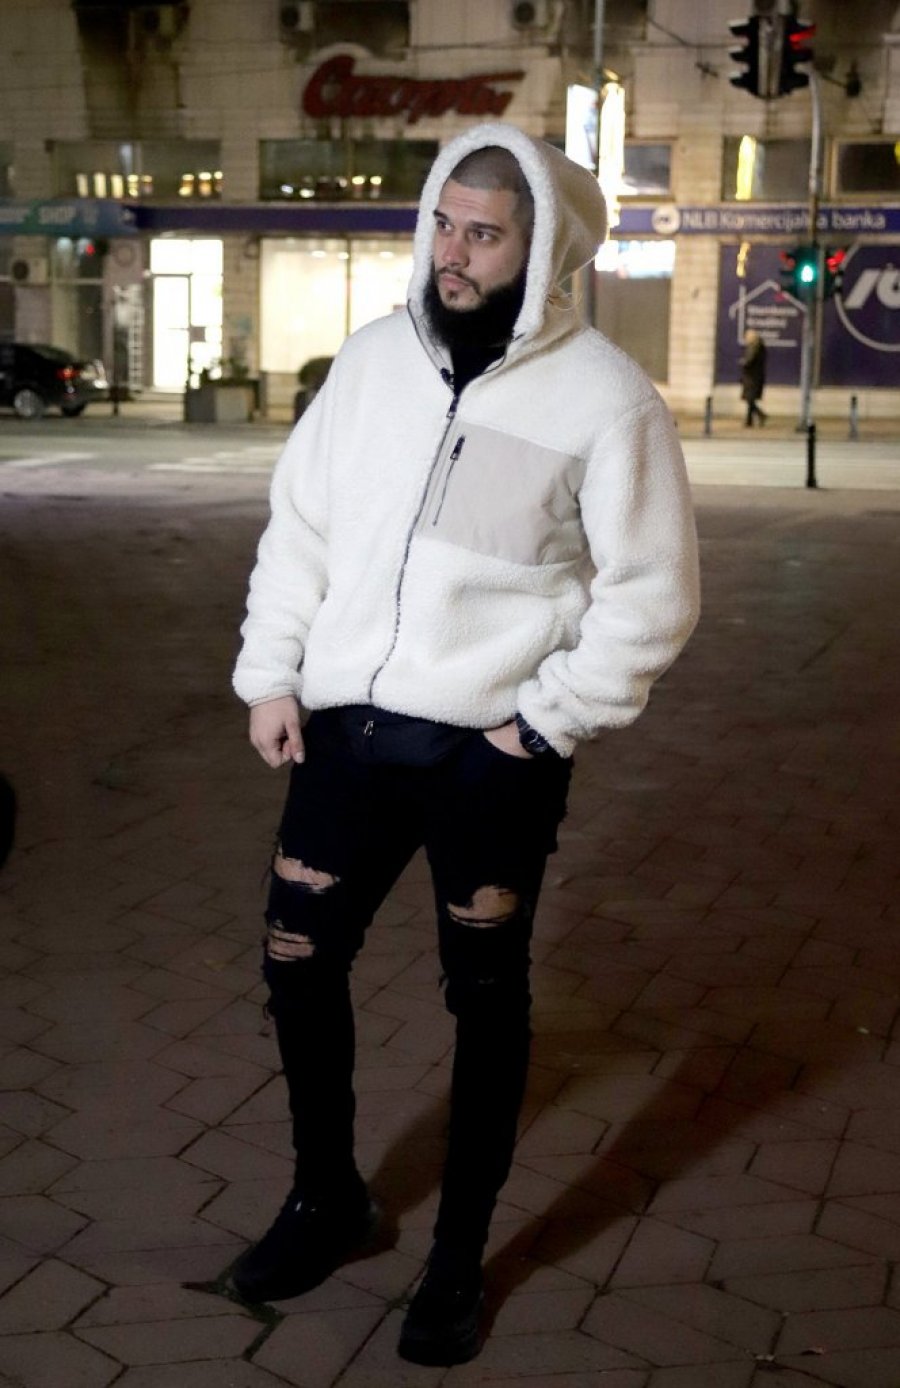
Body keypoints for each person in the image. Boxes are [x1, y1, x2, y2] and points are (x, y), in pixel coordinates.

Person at [231, 121, 700, 1366]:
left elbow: (653, 592)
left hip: (489, 755)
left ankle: (456, 1258)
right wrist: (272, 671)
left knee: (484, 996)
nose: (452, 251)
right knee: (294, 957)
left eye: (484, 234)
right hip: (347, 731)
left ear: (543, 252)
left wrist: (542, 722)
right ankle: (326, 1196)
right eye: (443, 222)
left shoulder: (605, 397)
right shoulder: (371, 362)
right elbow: (301, 527)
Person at [740, 328, 767, 426]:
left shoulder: (753, 348)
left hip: (751, 377)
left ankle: (760, 415)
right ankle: (749, 421)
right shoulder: (760, 347)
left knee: (750, 399)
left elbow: (749, 360)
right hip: (756, 376)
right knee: (750, 399)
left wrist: (743, 362)